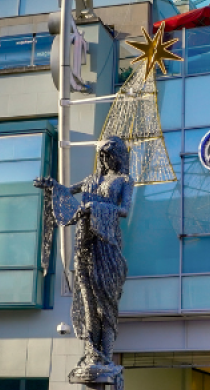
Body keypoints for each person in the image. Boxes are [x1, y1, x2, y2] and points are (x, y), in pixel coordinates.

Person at [34, 136, 133, 385]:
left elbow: (124, 210)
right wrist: (51, 186)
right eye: (103, 155)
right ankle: (92, 355)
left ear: (118, 156)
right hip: (85, 242)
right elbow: (65, 192)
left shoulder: (124, 181)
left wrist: (94, 208)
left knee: (106, 304)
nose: (106, 159)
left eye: (110, 155)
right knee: (87, 300)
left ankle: (106, 356)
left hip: (107, 244)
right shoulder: (90, 180)